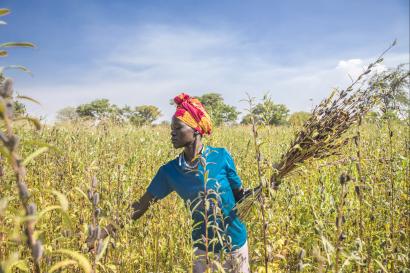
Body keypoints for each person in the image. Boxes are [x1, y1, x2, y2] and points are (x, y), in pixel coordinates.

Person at [131, 93, 250, 273]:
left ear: (195, 129)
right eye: (172, 128)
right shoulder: (170, 172)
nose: (172, 132)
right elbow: (141, 206)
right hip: (202, 249)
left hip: (234, 246)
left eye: (177, 128)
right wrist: (104, 232)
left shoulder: (221, 156)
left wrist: (266, 186)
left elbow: (240, 197)